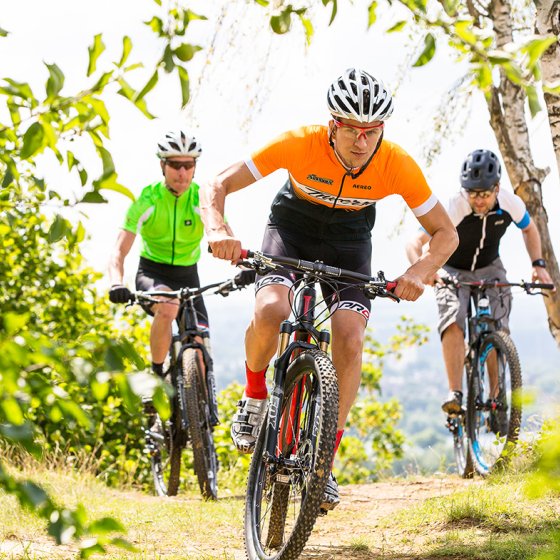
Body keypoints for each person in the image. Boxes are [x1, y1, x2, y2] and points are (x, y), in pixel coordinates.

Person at [201, 68, 458, 510]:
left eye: (372, 132)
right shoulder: (299, 142)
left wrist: (419, 270)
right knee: (270, 310)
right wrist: (218, 227)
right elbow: (218, 183)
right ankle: (256, 393)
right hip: (290, 229)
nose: (363, 142)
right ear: (332, 126)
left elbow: (446, 234)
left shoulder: (395, 163)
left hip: (349, 243)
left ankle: (323, 463)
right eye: (353, 131)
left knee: (350, 336)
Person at [406, 148, 553, 415]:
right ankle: (455, 393)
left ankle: (496, 398)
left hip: (490, 267)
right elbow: (414, 242)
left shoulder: (510, 203)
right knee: (453, 317)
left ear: (497, 188)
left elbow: (529, 229)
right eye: (472, 193)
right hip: (452, 269)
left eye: (485, 193)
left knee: (498, 324)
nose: (479, 200)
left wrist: (538, 265)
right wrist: (424, 271)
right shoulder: (454, 206)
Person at [108, 130, 242, 408]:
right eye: (175, 165)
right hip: (152, 273)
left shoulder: (201, 199)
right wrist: (116, 283)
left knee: (199, 340)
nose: (182, 172)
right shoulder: (147, 200)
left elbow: (224, 234)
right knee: (168, 307)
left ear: (195, 167)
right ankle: (156, 379)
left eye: (188, 165)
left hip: (187, 275)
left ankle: (200, 415)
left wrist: (242, 264)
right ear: (162, 166)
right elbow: (119, 251)